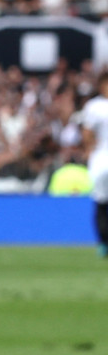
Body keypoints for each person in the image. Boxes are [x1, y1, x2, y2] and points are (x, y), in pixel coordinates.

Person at [75, 83, 108, 256]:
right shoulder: (96, 106)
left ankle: (104, 243)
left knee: (102, 202)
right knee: (101, 201)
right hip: (102, 157)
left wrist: (88, 150)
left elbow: (87, 131)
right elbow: (87, 132)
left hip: (101, 158)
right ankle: (104, 242)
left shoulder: (95, 107)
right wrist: (89, 149)